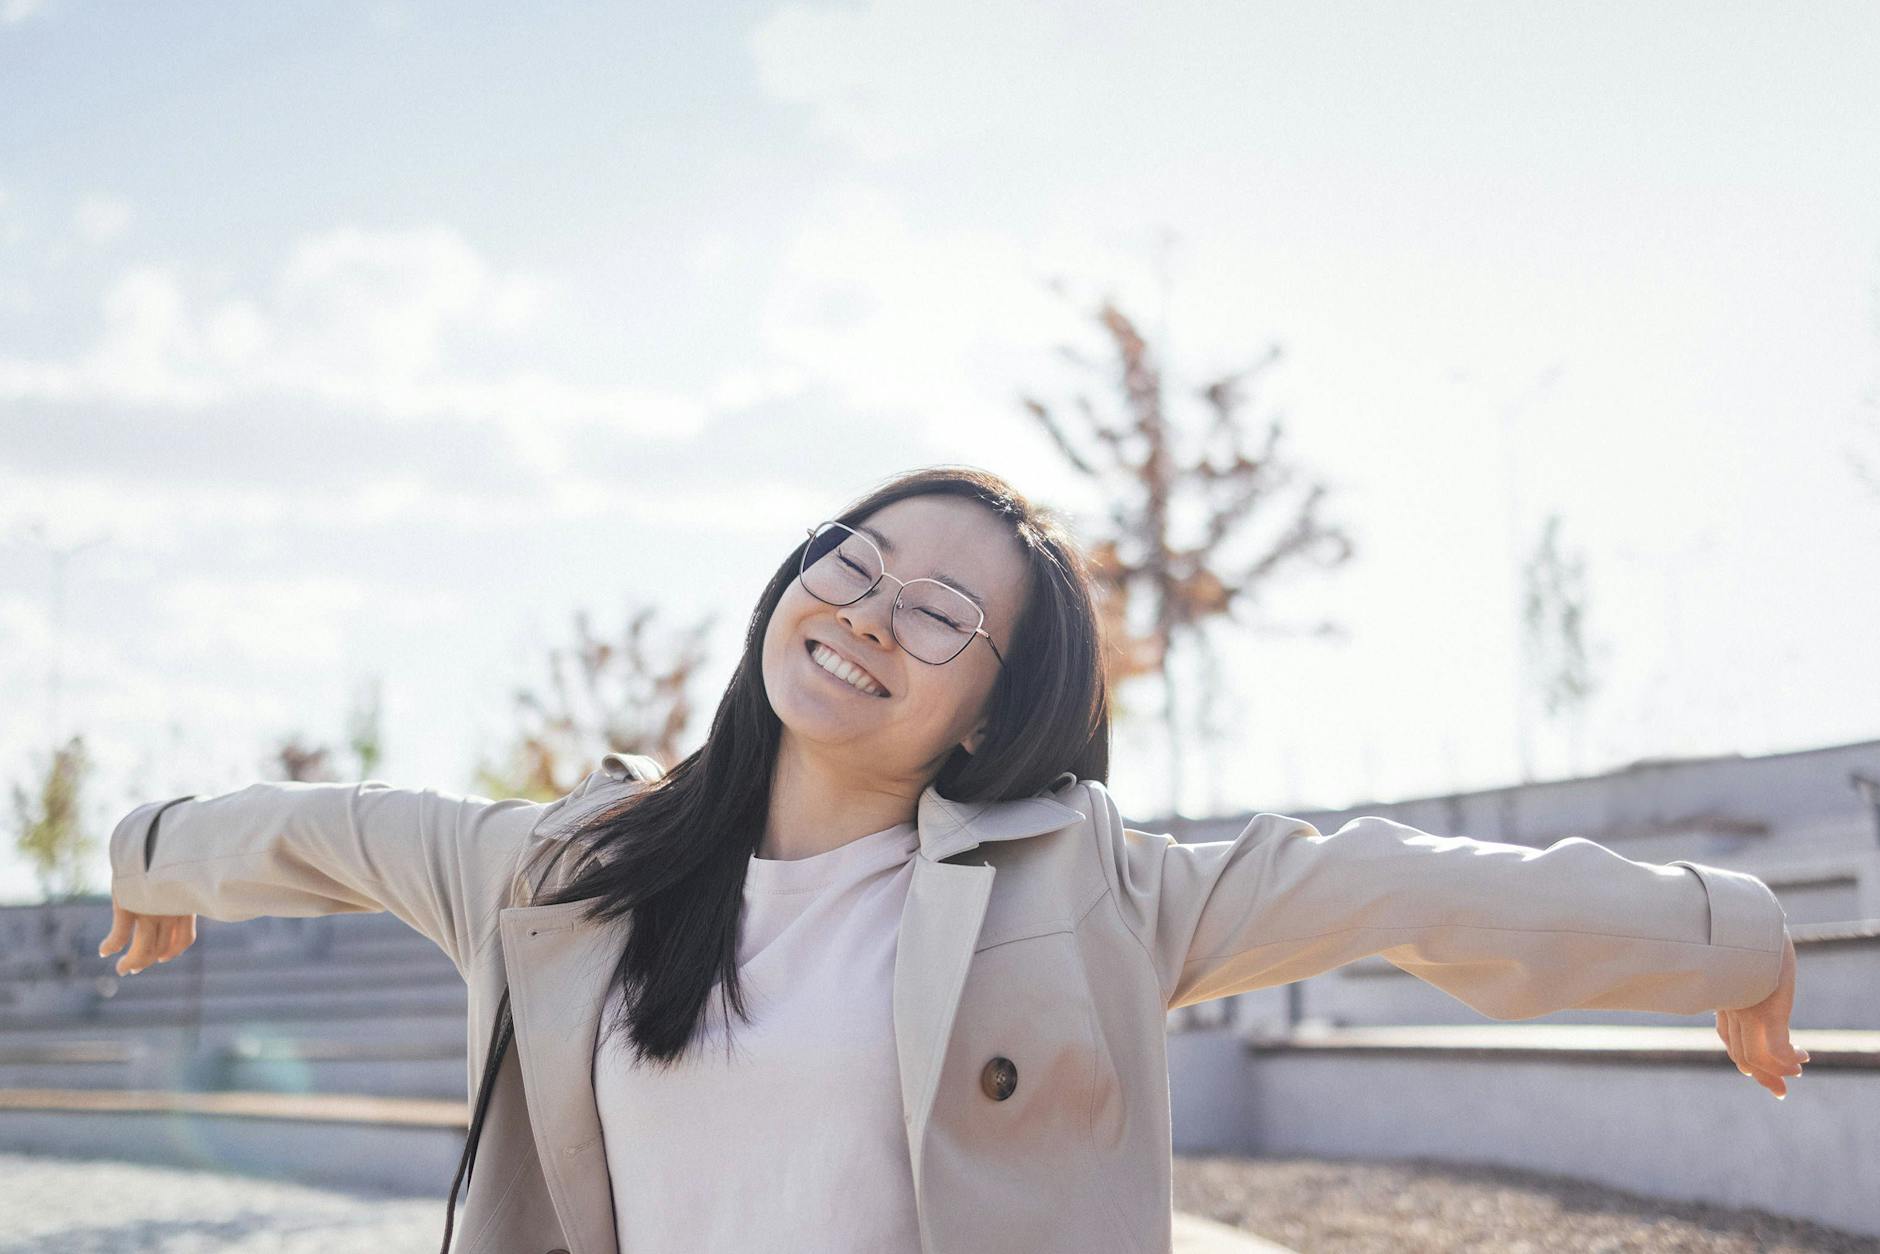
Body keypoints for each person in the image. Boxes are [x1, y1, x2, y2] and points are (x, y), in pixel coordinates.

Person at [100, 464, 1806, 1254]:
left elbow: (1391, 883)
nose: (864, 613)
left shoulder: (1091, 893)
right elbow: (327, 830)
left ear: (993, 716)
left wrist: (1724, 936)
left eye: (937, 613)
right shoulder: (563, 870)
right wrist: (157, 854)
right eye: (852, 562)